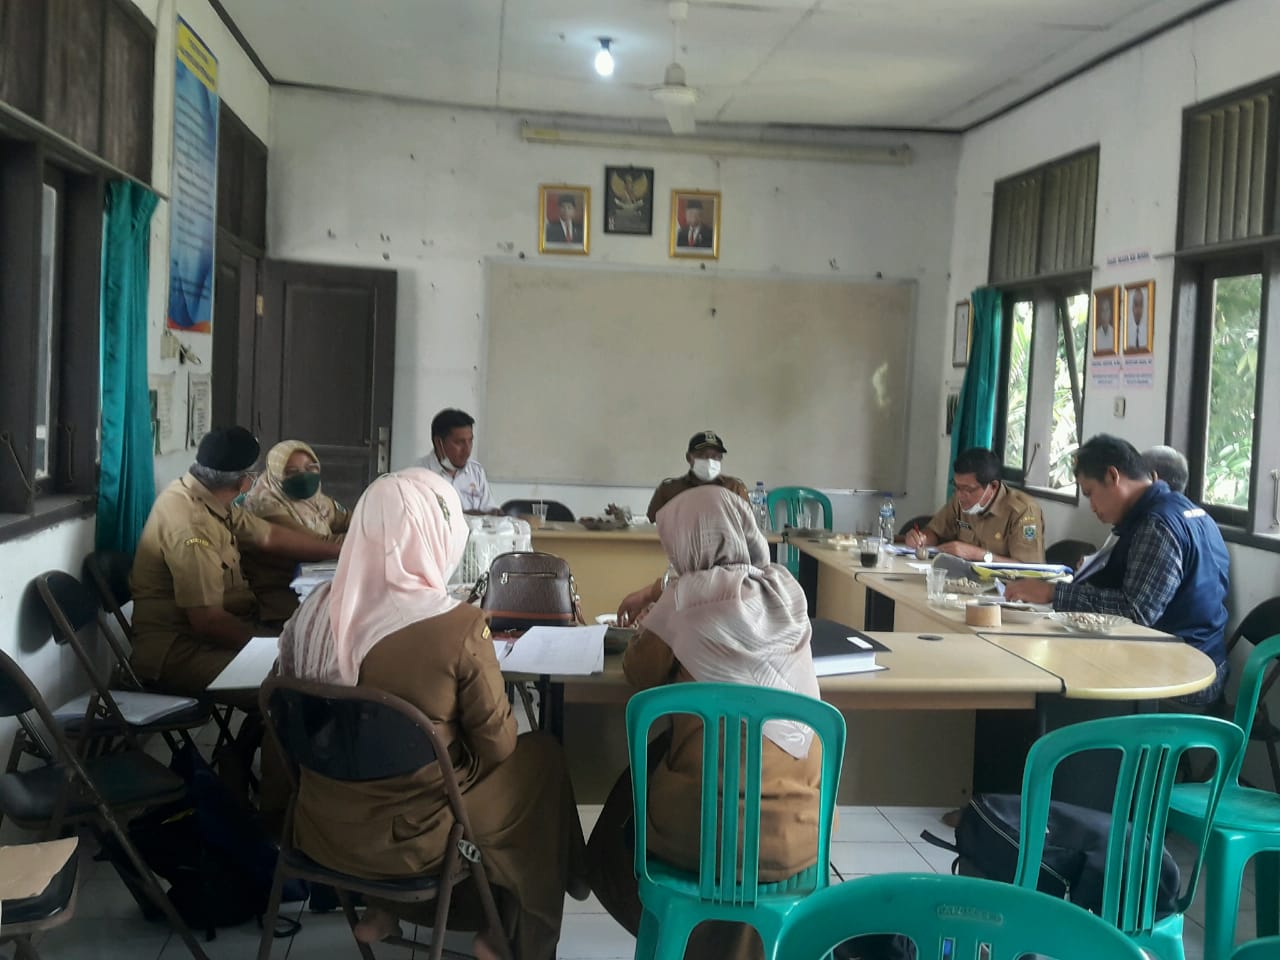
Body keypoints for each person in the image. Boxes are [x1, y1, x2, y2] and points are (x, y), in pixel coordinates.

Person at [277, 469, 588, 960]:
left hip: (320, 823)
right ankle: (513, 936)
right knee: (541, 761)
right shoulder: (457, 625)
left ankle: (383, 908)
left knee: (396, 765)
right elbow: (497, 746)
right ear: (434, 535)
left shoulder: (310, 612)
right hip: (415, 838)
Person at [589, 486, 824, 960]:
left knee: (632, 807)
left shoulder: (683, 599)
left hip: (699, 840)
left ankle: (681, 939)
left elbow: (639, 672)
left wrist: (660, 606)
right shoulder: (788, 592)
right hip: (799, 838)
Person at [1005, 434, 1230, 705]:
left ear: (1113, 476)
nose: (1092, 507)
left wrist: (1053, 593)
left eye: (1090, 493)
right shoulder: (1187, 511)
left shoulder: (1157, 525)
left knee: (1049, 673)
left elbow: (1136, 612)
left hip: (1182, 669)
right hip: (1196, 657)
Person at [129, 427, 342, 704]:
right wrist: (276, 648)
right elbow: (208, 622)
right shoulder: (192, 528)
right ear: (245, 482)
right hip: (180, 652)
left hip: (218, 632)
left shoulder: (202, 493)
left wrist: (342, 549)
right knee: (296, 686)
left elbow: (268, 536)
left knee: (311, 655)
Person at [240, 440, 349, 626]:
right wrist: (365, 541)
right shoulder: (265, 505)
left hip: (312, 582)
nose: (304, 476)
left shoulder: (317, 500)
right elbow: (315, 543)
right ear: (276, 474)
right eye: (292, 472)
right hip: (280, 593)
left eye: (310, 468)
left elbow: (349, 520)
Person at [903, 447, 1045, 562]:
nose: (960, 495)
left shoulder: (1023, 511)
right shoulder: (960, 501)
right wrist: (921, 539)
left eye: (968, 489)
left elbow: (1029, 569)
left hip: (1005, 586)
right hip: (963, 579)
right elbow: (936, 532)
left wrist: (980, 555)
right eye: (957, 487)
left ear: (993, 486)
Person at [645, 430, 750, 522]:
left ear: (721, 458)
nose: (709, 461)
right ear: (688, 458)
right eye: (702, 455)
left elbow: (748, 524)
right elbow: (652, 524)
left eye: (715, 456)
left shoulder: (734, 487)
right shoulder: (669, 489)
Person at [416, 408, 499, 513]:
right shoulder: (418, 474)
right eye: (459, 442)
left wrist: (495, 513)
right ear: (438, 442)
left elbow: (489, 509)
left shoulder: (476, 471)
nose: (467, 450)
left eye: (470, 441)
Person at [1128, 287, 1148, 352]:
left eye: (1141, 305)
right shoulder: (1126, 333)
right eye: (1136, 305)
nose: (1138, 310)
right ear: (1132, 307)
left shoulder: (1148, 333)